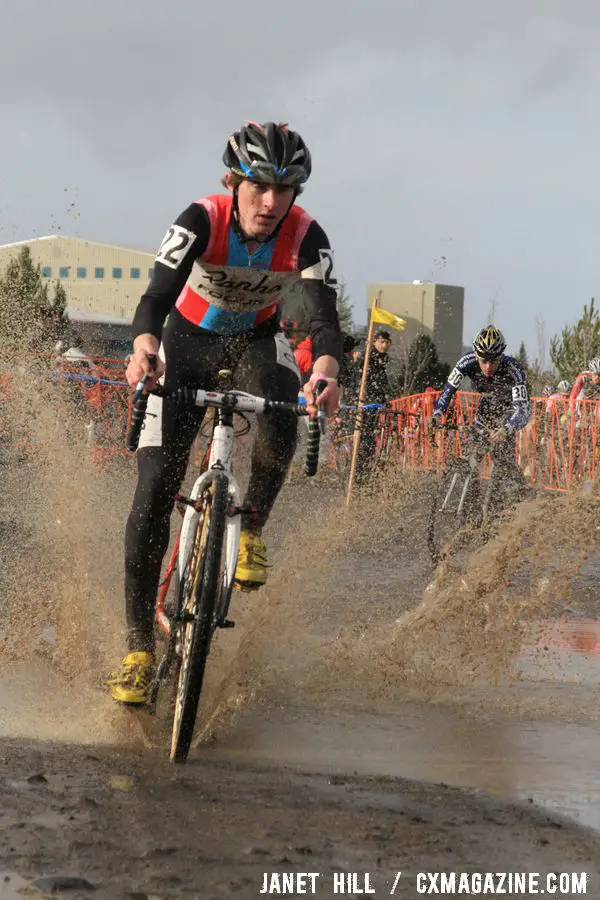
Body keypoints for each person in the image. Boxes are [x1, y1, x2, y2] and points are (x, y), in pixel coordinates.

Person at [108, 121, 342, 704]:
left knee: (286, 403)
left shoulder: (307, 236)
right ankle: (138, 645)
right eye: (259, 186)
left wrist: (328, 370)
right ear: (234, 181)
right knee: (154, 490)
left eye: (283, 191)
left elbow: (322, 318)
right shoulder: (201, 218)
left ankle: (253, 527)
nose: (270, 203)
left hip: (256, 344)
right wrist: (144, 347)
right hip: (185, 343)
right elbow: (154, 298)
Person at [431, 324, 532, 488]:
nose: (488, 367)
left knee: (502, 458)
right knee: (471, 449)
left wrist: (506, 429)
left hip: (511, 409)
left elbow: (522, 410)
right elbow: (447, 391)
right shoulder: (466, 362)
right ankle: (471, 494)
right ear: (476, 355)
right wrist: (437, 413)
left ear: (501, 356)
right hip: (488, 405)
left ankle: (513, 490)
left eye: (494, 361)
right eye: (484, 361)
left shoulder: (514, 368)